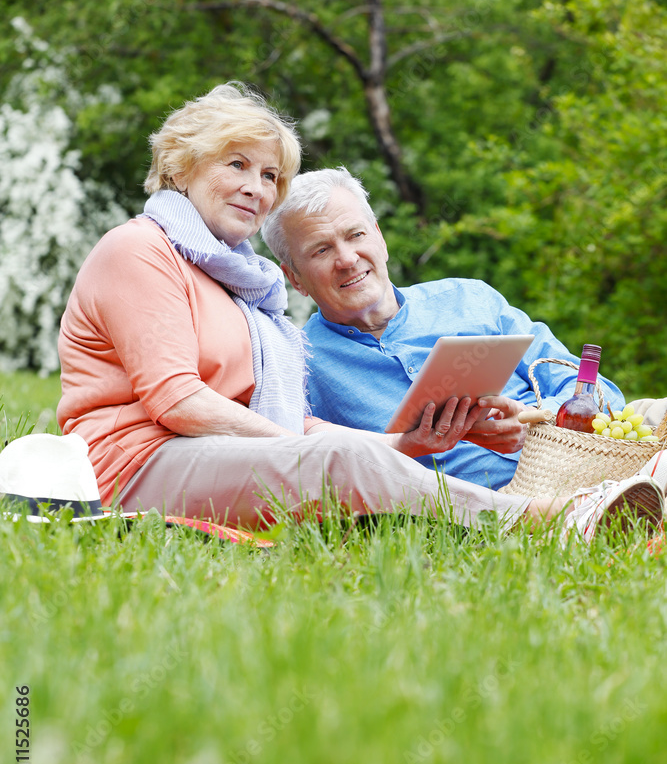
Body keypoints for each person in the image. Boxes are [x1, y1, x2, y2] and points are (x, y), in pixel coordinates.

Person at [57, 85, 664, 540]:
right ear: (180, 166)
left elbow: (289, 418)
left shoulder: (235, 281)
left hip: (206, 454)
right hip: (129, 464)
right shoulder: (140, 248)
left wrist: (400, 443)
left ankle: (622, 496)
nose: (255, 185)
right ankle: (551, 523)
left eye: (270, 174)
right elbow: (176, 401)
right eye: (235, 164)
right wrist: (310, 451)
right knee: (339, 459)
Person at [261, 167, 634, 491]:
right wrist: (398, 444)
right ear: (294, 277)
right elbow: (301, 461)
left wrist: (535, 419)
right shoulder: (297, 359)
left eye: (355, 235)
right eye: (321, 251)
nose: (346, 259)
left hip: (573, 459)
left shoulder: (470, 299)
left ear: (379, 237)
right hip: (480, 502)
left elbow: (600, 393)